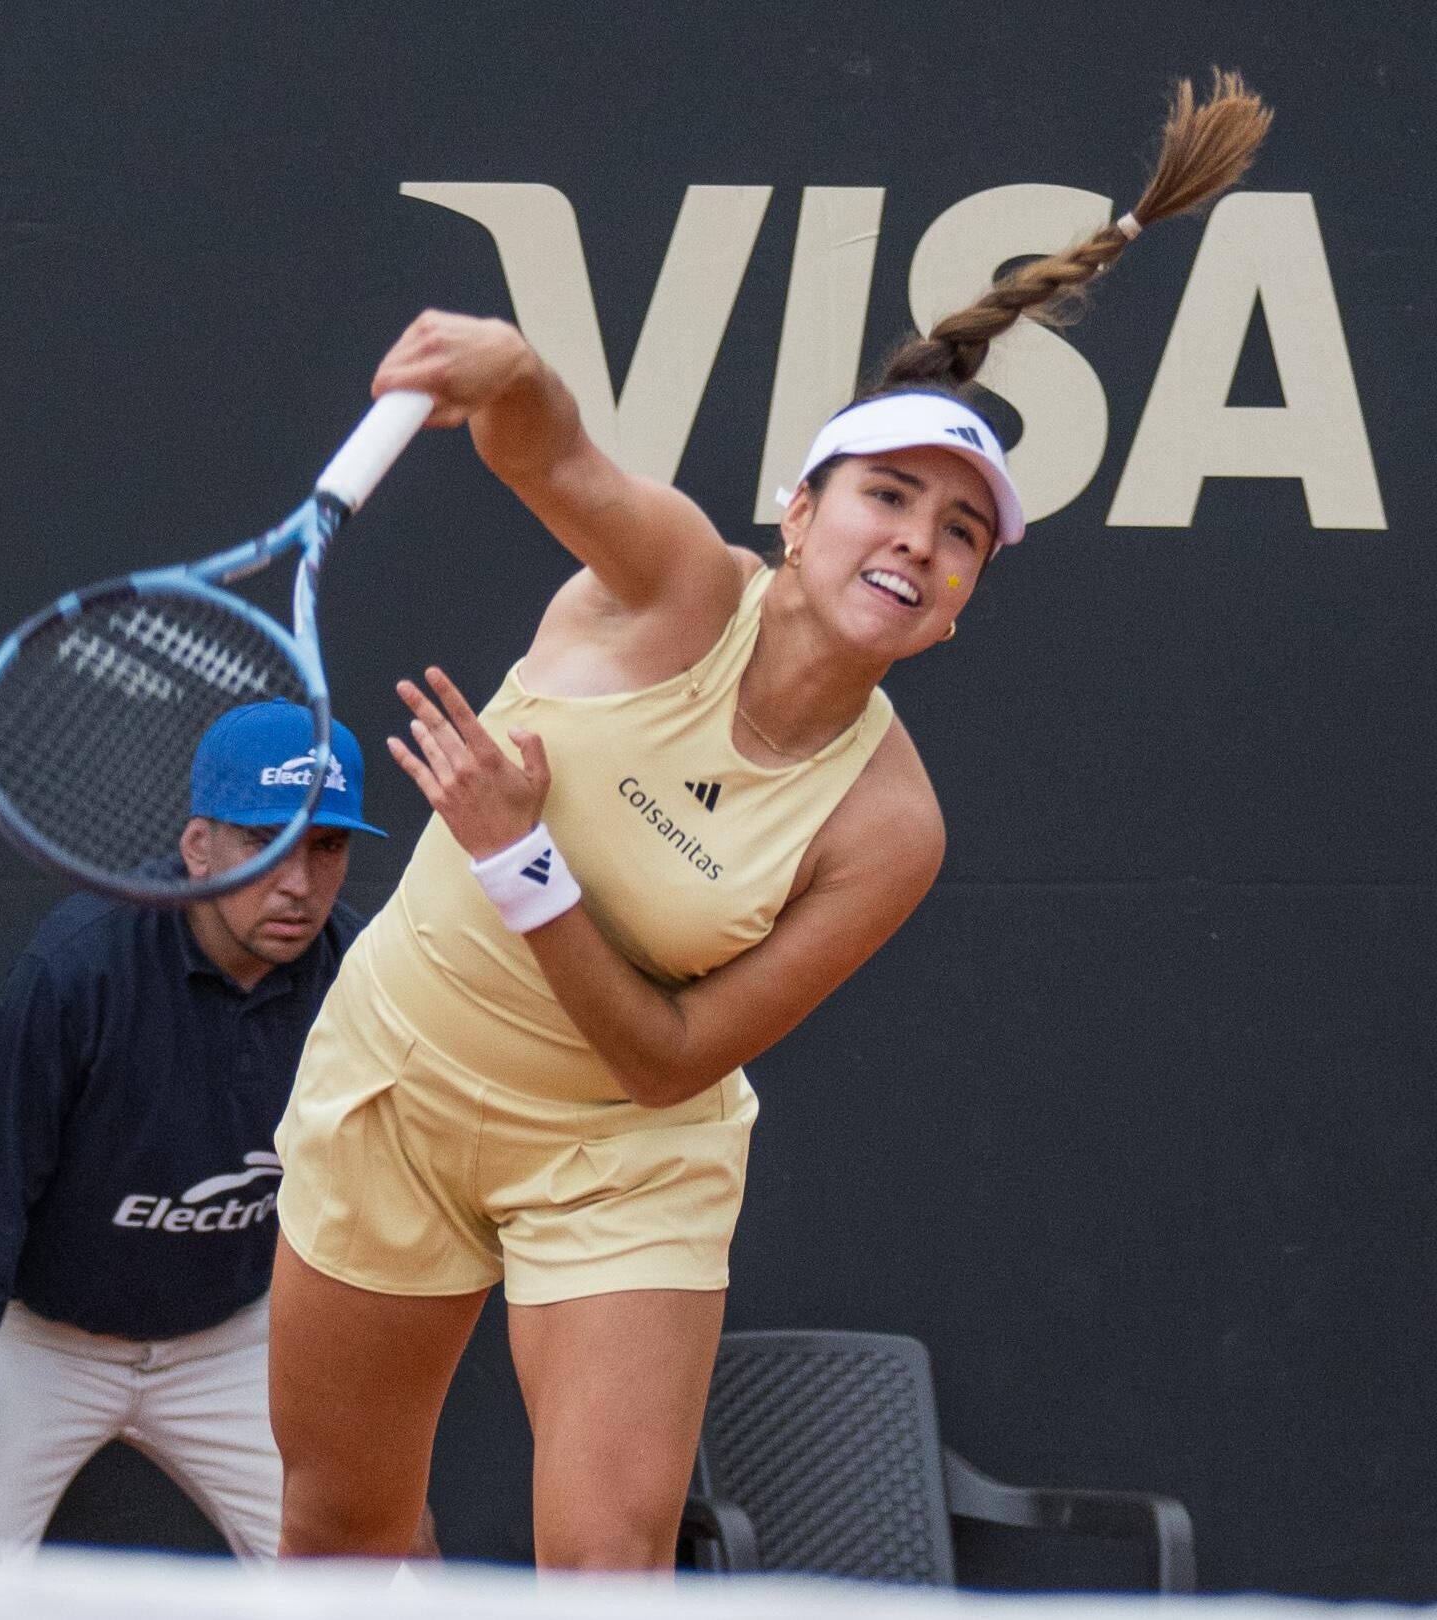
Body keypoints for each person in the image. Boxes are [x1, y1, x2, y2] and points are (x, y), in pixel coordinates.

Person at [266, 75, 1270, 1571]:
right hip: (399, 1084)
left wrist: (521, 858)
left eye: (962, 534)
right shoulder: (672, 583)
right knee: (346, 1530)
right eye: (889, 498)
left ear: (960, 605)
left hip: (623, 1150)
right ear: (799, 514)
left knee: (611, 1569)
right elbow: (550, 452)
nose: (920, 543)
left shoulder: (890, 827)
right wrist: (513, 367)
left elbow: (668, 1056)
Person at [0, 700, 420, 1561]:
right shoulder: (80, 966)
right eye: (265, 841)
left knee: (383, 1574)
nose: (299, 882)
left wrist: (379, 1459)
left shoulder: (362, 982)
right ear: (197, 845)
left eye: (327, 847)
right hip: (40, 1341)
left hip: (237, 1342)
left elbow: (393, 1237)